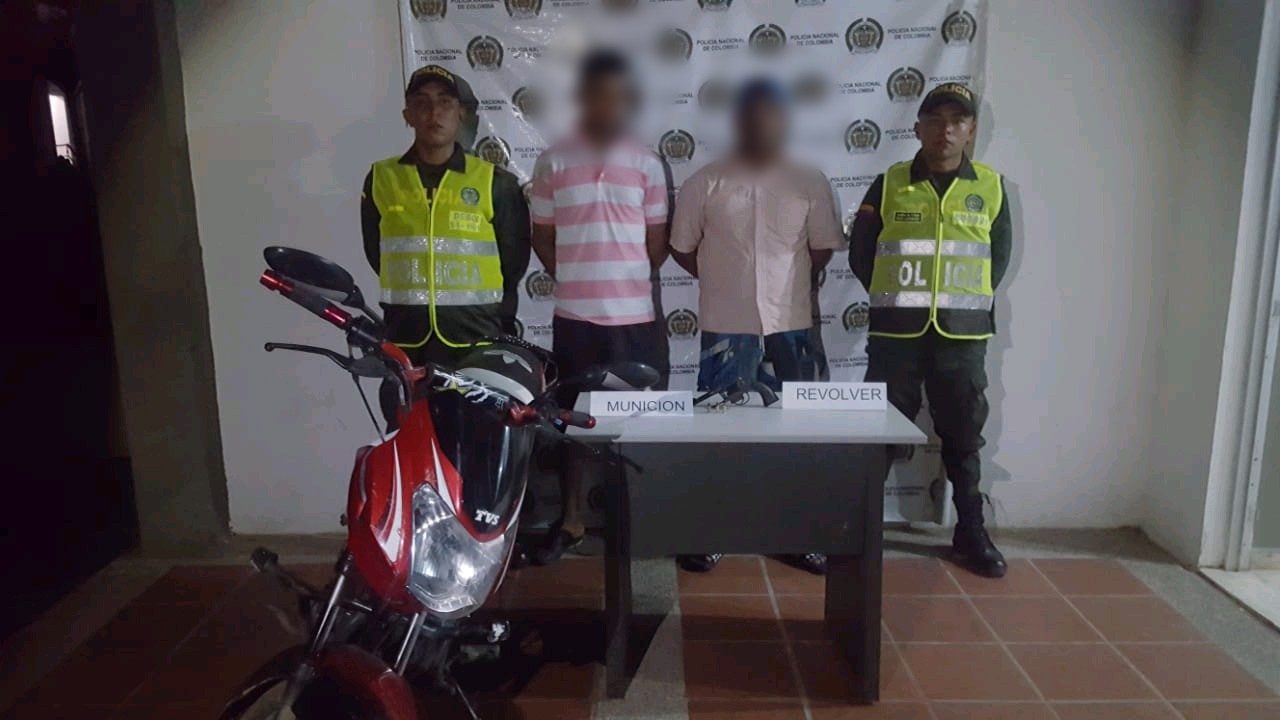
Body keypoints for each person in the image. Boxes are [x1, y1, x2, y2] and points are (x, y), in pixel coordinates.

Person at [668, 77, 847, 575]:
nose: (760, 124)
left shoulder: (808, 181)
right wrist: (728, 282)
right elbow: (682, 249)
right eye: (751, 115)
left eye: (771, 115)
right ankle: (715, 532)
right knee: (719, 432)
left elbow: (820, 249)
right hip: (727, 327)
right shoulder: (705, 182)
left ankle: (798, 533)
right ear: (737, 122)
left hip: (793, 327)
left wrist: (783, 288)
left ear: (784, 122)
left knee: (799, 434)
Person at [848, 83, 1012, 578]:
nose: (946, 130)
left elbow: (996, 260)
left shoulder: (991, 187)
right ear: (917, 128)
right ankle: (859, 529)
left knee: (963, 436)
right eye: (935, 120)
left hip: (961, 338)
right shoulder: (889, 183)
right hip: (896, 336)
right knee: (878, 433)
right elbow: (862, 254)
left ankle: (970, 531)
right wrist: (895, 301)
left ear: (971, 130)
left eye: (957, 121)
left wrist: (959, 305)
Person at [528, 49, 672, 565]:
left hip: (635, 321)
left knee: (641, 425)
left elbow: (656, 246)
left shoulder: (647, 162)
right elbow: (542, 237)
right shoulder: (552, 161)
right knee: (572, 422)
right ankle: (571, 521)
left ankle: (642, 519)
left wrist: (618, 278)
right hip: (575, 321)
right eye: (596, 94)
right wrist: (575, 276)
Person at [361, 65, 531, 427]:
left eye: (445, 103)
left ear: (461, 114)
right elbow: (377, 253)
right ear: (407, 115)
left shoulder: (495, 182)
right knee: (407, 442)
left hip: (475, 342)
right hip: (406, 343)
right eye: (422, 103)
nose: (433, 113)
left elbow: (513, 263)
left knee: (475, 444)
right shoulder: (381, 178)